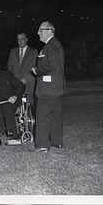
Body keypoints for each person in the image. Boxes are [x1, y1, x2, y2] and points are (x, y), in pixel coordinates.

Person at [31, 21, 66, 153]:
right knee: (55, 115)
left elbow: (52, 64)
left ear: (50, 30)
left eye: (40, 30)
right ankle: (57, 142)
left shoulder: (51, 45)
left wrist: (38, 71)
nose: (38, 33)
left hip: (48, 89)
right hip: (55, 87)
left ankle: (42, 145)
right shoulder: (54, 44)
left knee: (42, 115)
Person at [7, 31, 38, 106]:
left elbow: (35, 68)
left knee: (28, 106)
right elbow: (10, 67)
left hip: (28, 84)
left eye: (22, 39)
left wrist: (25, 79)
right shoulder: (13, 51)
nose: (20, 41)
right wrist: (14, 80)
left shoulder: (33, 51)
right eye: (18, 39)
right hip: (15, 84)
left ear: (26, 39)